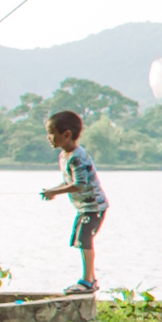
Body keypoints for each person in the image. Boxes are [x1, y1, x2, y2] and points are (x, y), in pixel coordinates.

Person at [38, 110, 107, 295]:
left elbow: (79, 185)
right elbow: (70, 182)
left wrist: (55, 192)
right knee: (80, 240)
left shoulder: (77, 157)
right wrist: (53, 191)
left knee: (85, 240)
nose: (49, 138)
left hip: (94, 207)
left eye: (52, 133)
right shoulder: (65, 156)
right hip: (84, 207)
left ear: (66, 134)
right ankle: (89, 279)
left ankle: (87, 280)